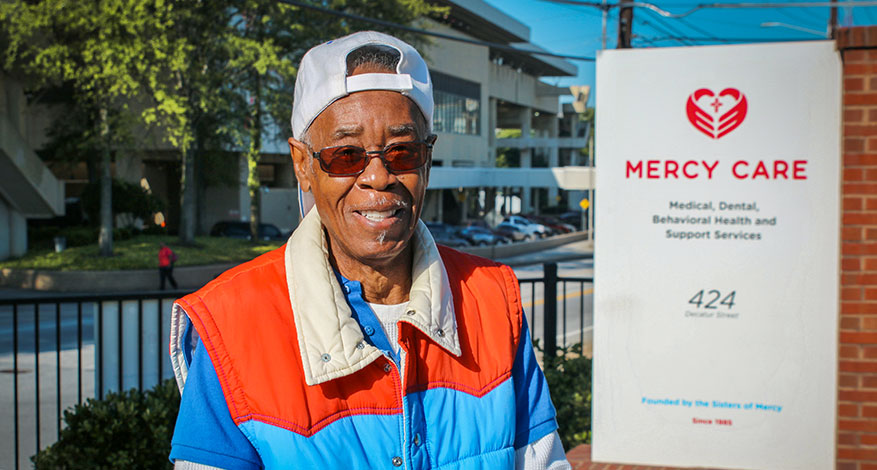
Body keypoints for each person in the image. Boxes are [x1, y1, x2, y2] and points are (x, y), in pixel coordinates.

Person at [168, 31, 570, 470]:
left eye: (402, 152)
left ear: (427, 160)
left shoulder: (492, 299)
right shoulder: (231, 323)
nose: (378, 177)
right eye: (346, 155)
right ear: (303, 165)